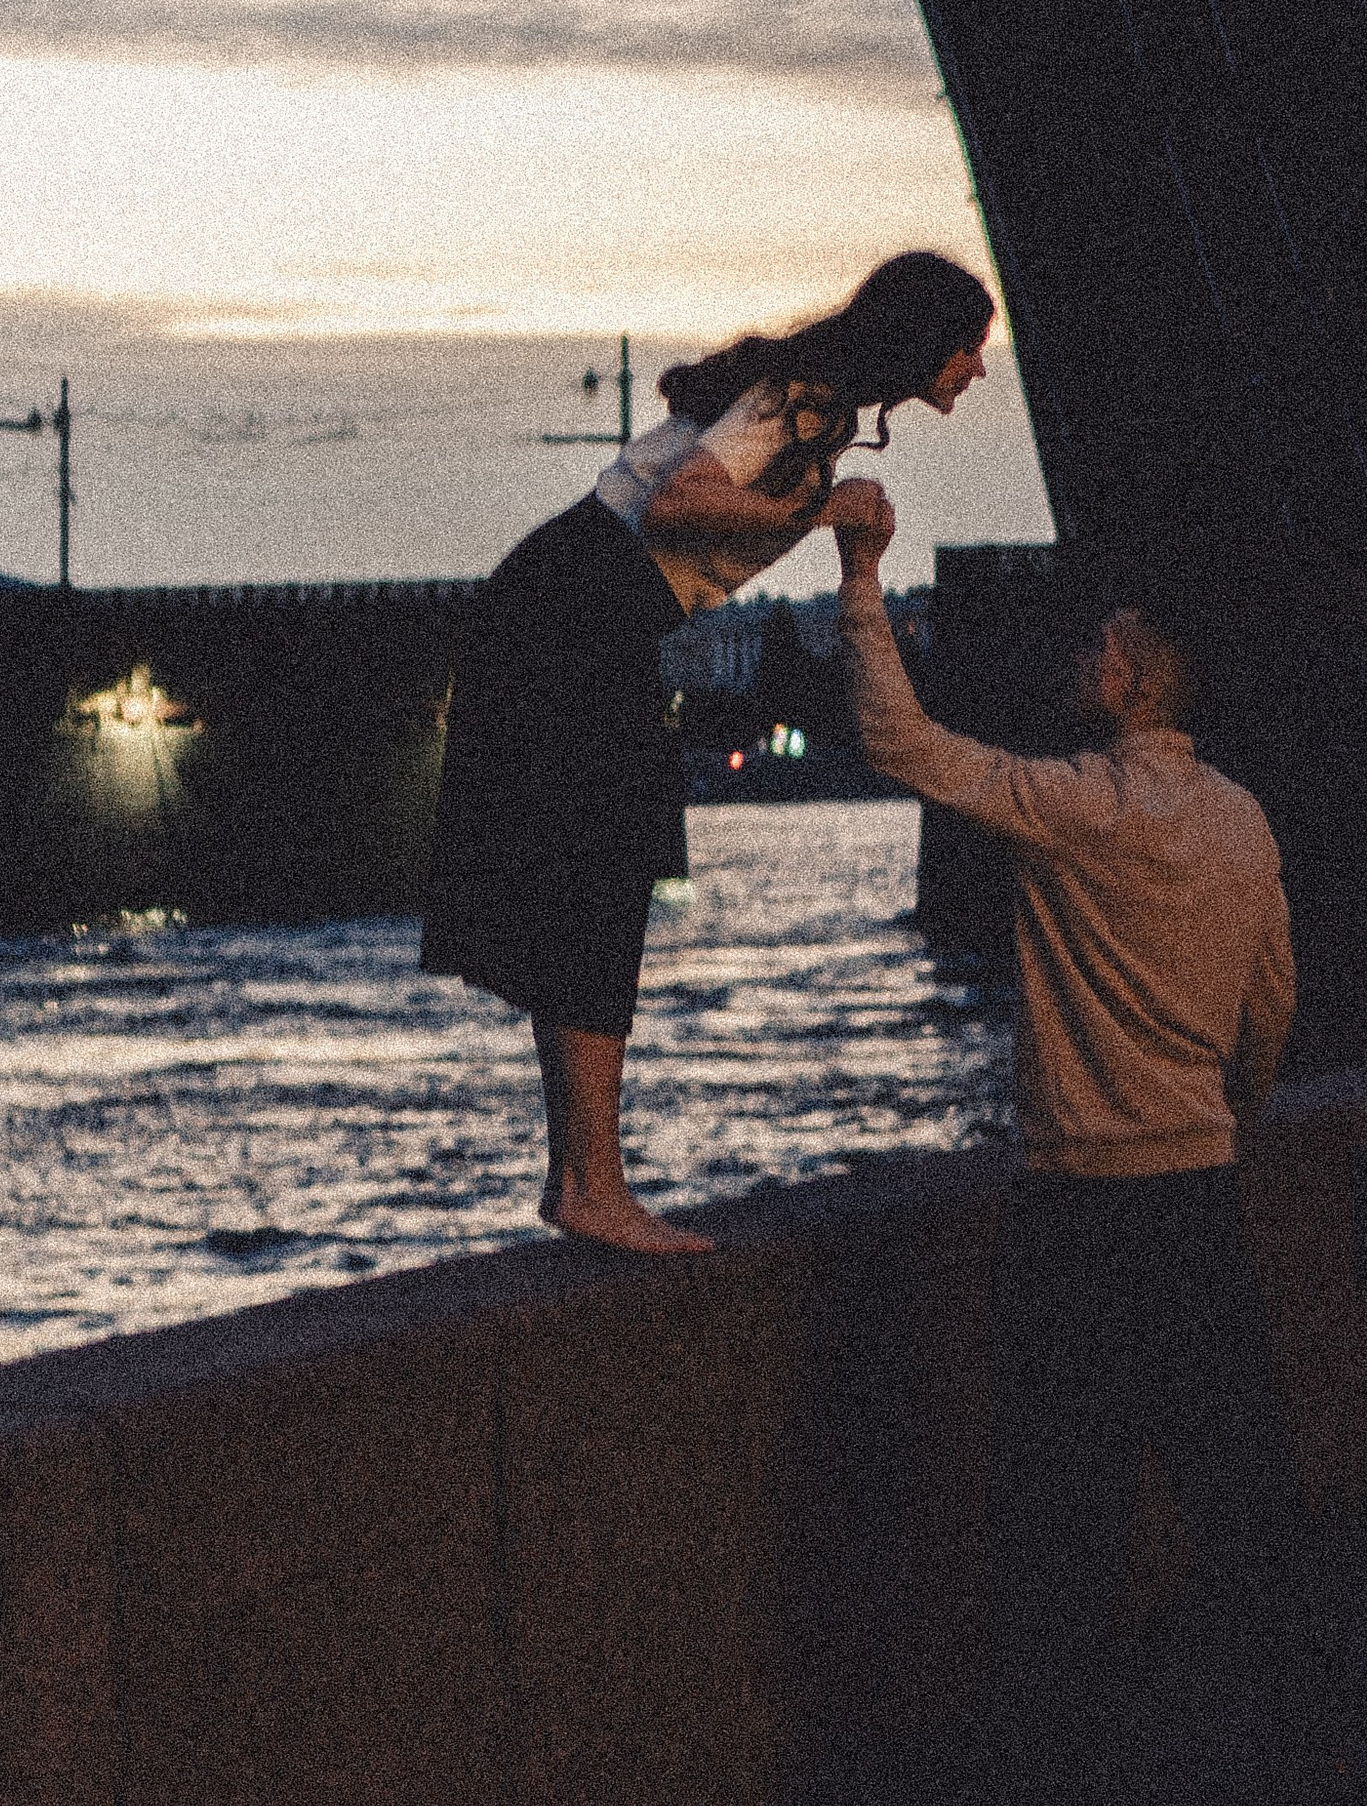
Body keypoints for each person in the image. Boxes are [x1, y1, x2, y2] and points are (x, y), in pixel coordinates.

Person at [829, 484, 1312, 1806]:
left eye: (1101, 642)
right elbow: (1269, 1013)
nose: (1083, 655)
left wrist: (863, 578)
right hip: (1199, 1202)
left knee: (1059, 1521)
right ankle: (1313, 1769)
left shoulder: (1078, 807)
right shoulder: (1246, 823)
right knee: (1247, 1508)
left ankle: (1052, 1803)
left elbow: (903, 744)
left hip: (1082, 1216)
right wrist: (1229, 1118)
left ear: (1133, 677)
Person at [421, 253, 995, 1255]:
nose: (978, 370)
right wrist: (825, 513)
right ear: (924, 342)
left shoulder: (816, 402)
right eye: (969, 348)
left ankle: (580, 1181)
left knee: (593, 876)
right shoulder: (810, 400)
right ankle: (594, 1187)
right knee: (602, 874)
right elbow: (680, 503)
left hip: (574, 602)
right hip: (578, 606)